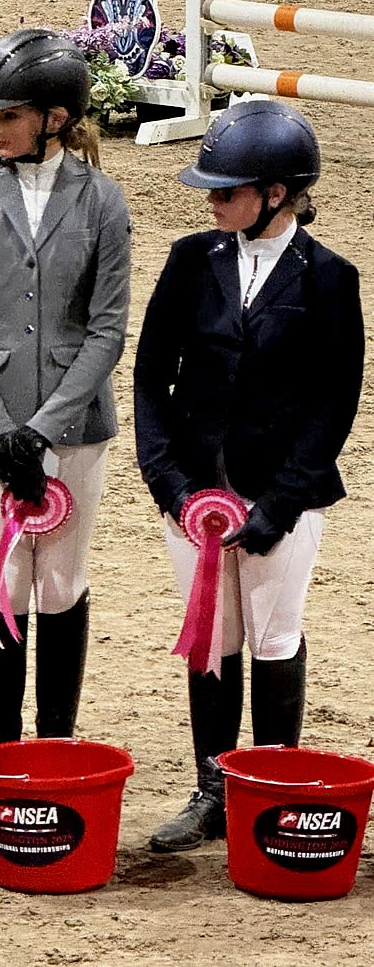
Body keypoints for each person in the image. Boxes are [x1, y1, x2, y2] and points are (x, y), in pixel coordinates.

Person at [133, 100, 364, 852]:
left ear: (275, 193)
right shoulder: (189, 260)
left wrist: (281, 503)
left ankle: (270, 791)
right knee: (213, 636)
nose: (212, 201)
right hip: (194, 492)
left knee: (273, 636)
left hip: (282, 493)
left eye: (226, 191)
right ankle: (212, 790)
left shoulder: (330, 279)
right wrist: (168, 483)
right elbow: (150, 377)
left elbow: (334, 405)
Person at [0, 28, 131, 837]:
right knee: (2, 583)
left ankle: (52, 754)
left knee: (62, 586)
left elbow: (109, 330)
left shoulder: (103, 200)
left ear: (54, 118)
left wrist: (45, 431)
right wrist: (1, 432)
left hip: (77, 428)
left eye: (8, 114)